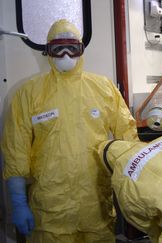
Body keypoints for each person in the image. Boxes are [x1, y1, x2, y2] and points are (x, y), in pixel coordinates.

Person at [1, 19, 138, 242]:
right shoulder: (28, 94)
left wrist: (134, 189)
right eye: (58, 48)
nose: (66, 55)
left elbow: (128, 137)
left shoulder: (103, 88)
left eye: (72, 47)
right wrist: (18, 202)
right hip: (50, 212)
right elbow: (16, 150)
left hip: (95, 207)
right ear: (48, 51)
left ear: (82, 50)